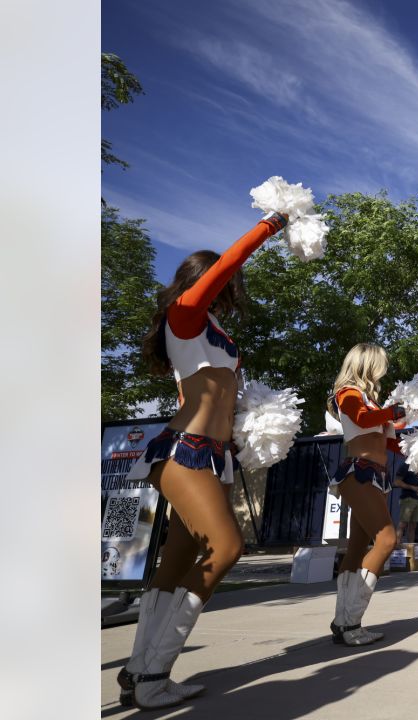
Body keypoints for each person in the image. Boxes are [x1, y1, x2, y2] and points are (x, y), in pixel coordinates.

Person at [120, 212, 287, 709]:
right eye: (223, 281)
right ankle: (155, 674)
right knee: (226, 548)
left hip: (216, 456)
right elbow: (226, 264)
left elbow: (222, 394)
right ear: (204, 280)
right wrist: (270, 226)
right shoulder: (184, 314)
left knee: (177, 561)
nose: (230, 289)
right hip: (184, 449)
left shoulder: (209, 326)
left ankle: (136, 670)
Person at [326, 343, 408, 645]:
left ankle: (342, 621)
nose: (383, 370)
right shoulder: (348, 392)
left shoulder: (369, 401)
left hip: (374, 475)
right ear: (367, 364)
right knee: (387, 540)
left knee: (357, 547)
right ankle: (351, 623)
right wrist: (390, 412)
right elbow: (360, 419)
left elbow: (388, 444)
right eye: (380, 364)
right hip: (359, 472)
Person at [393, 464, 418, 543]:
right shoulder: (405, 465)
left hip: (417, 499)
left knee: (413, 526)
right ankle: (397, 547)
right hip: (407, 498)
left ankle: (410, 550)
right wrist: (412, 487)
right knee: (403, 524)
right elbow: (396, 482)